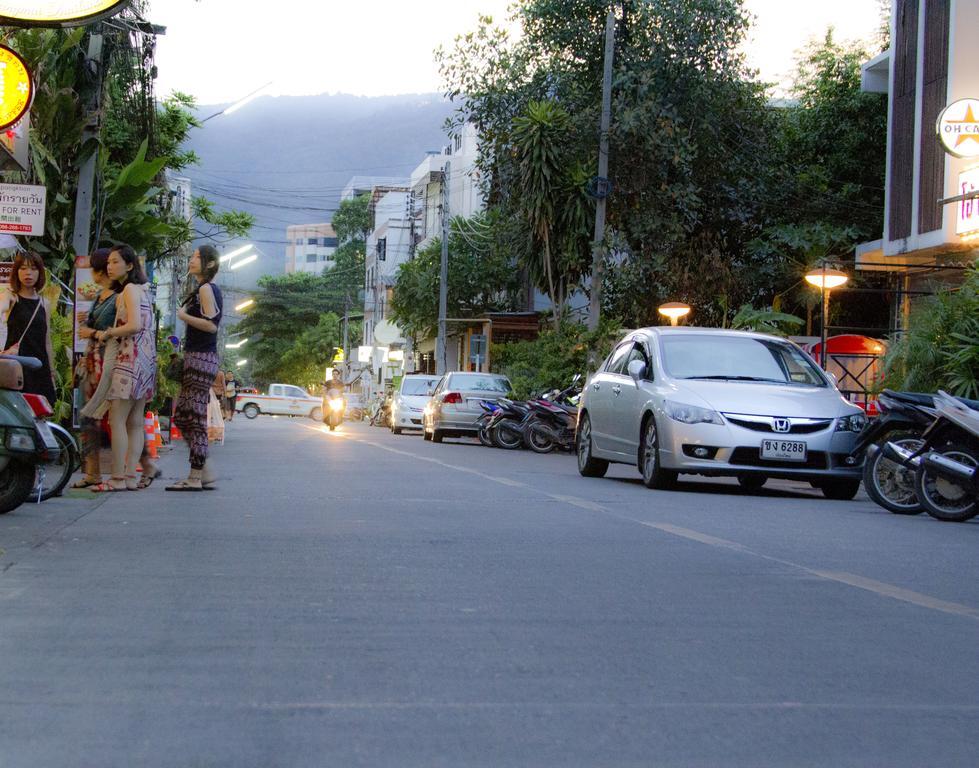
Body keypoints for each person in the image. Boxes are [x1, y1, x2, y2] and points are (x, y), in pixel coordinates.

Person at [83, 245, 156, 492]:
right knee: (134, 422)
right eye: (109, 263)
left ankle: (116, 478)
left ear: (130, 265)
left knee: (117, 420)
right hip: (145, 361)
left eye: (115, 262)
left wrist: (108, 333)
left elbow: (134, 325)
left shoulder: (129, 290)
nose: (110, 267)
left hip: (128, 359)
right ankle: (129, 477)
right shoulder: (144, 291)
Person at [168, 245, 223, 492]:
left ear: (209, 264)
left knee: (195, 417)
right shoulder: (201, 289)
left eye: (196, 257)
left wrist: (184, 317)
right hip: (196, 357)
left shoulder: (205, 288)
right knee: (183, 416)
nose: (191, 260)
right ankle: (204, 469)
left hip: (201, 358)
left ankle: (195, 475)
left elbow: (211, 325)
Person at [72, 248, 116, 489]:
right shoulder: (100, 296)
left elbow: (121, 332)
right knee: (89, 420)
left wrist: (92, 331)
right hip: (91, 361)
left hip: (106, 363)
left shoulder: (118, 296)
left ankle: (125, 473)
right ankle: (92, 472)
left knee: (107, 419)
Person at [0, 251, 56, 406]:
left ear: (40, 272)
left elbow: (47, 341)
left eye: (33, 268)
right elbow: (2, 307)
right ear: (16, 272)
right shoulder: (11, 297)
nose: (28, 273)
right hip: (17, 365)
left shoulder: (44, 303)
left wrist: (51, 371)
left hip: (39, 366)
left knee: (40, 411)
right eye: (23, 268)